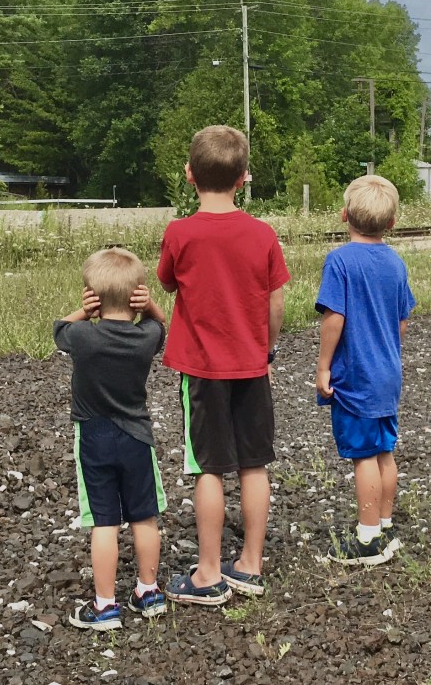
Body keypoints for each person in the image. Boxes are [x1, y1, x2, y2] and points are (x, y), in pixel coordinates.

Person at [158, 125, 289, 605]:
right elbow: (275, 303)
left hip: (202, 371)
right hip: (252, 367)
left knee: (209, 467)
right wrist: (266, 350)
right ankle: (250, 566)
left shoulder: (180, 233)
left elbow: (169, 284)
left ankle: (208, 573)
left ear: (189, 175)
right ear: (244, 178)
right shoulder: (263, 234)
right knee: (254, 464)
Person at [55, 247, 169, 631]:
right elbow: (163, 325)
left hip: (93, 436)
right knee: (144, 517)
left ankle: (105, 606)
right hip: (137, 436)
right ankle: (148, 592)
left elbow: (57, 329)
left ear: (93, 298)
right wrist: (150, 305)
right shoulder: (145, 337)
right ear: (135, 294)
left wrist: (83, 311)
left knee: (104, 522)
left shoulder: (82, 337)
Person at [315, 175, 416, 565]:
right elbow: (402, 322)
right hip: (388, 374)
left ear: (344, 215)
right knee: (385, 450)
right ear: (391, 224)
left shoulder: (339, 260)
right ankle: (386, 525)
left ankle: (368, 539)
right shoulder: (395, 261)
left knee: (364, 456)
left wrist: (324, 366)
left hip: (356, 375)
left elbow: (334, 319)